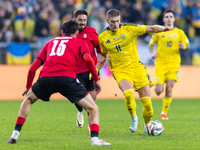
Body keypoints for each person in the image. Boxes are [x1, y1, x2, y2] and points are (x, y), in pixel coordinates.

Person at [8, 19, 111, 146]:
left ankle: (15, 133)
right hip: (67, 78)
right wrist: (96, 80)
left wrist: (28, 86)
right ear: (77, 32)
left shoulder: (50, 42)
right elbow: (89, 61)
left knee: (28, 100)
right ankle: (95, 140)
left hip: (46, 78)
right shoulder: (79, 42)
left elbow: (33, 68)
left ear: (62, 32)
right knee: (93, 108)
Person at [97, 9, 172, 133]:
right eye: (112, 22)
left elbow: (151, 28)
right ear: (107, 21)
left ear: (120, 19)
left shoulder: (129, 28)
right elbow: (103, 56)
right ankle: (134, 118)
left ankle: (147, 126)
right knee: (128, 93)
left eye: (117, 21)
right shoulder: (102, 37)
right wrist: (96, 69)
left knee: (147, 104)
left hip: (136, 67)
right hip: (120, 69)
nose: (115, 24)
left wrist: (164, 29)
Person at [148, 9, 190, 120]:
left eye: (171, 16)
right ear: (163, 19)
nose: (169, 18)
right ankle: (163, 81)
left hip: (173, 64)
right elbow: (150, 45)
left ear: (174, 19)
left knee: (170, 89)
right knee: (158, 91)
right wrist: (152, 53)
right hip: (160, 64)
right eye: (166, 17)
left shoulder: (179, 32)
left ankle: (164, 113)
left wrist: (184, 47)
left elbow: (188, 46)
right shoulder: (159, 31)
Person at [73, 9, 101, 128]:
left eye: (84, 20)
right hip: (75, 70)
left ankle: (91, 121)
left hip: (90, 69)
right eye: (80, 20)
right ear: (75, 20)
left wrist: (98, 65)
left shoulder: (92, 32)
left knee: (92, 96)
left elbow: (99, 50)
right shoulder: (70, 33)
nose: (82, 22)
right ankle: (80, 110)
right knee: (77, 96)